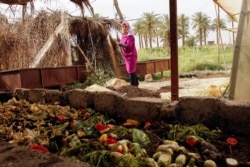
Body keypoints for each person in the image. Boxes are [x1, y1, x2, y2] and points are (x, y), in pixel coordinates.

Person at [118, 21, 139, 86]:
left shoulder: (130, 37)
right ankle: (136, 84)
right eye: (123, 26)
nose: (124, 28)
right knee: (131, 70)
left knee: (131, 70)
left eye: (125, 26)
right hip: (127, 56)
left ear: (128, 28)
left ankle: (132, 85)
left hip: (131, 55)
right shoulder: (123, 37)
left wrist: (120, 44)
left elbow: (128, 46)